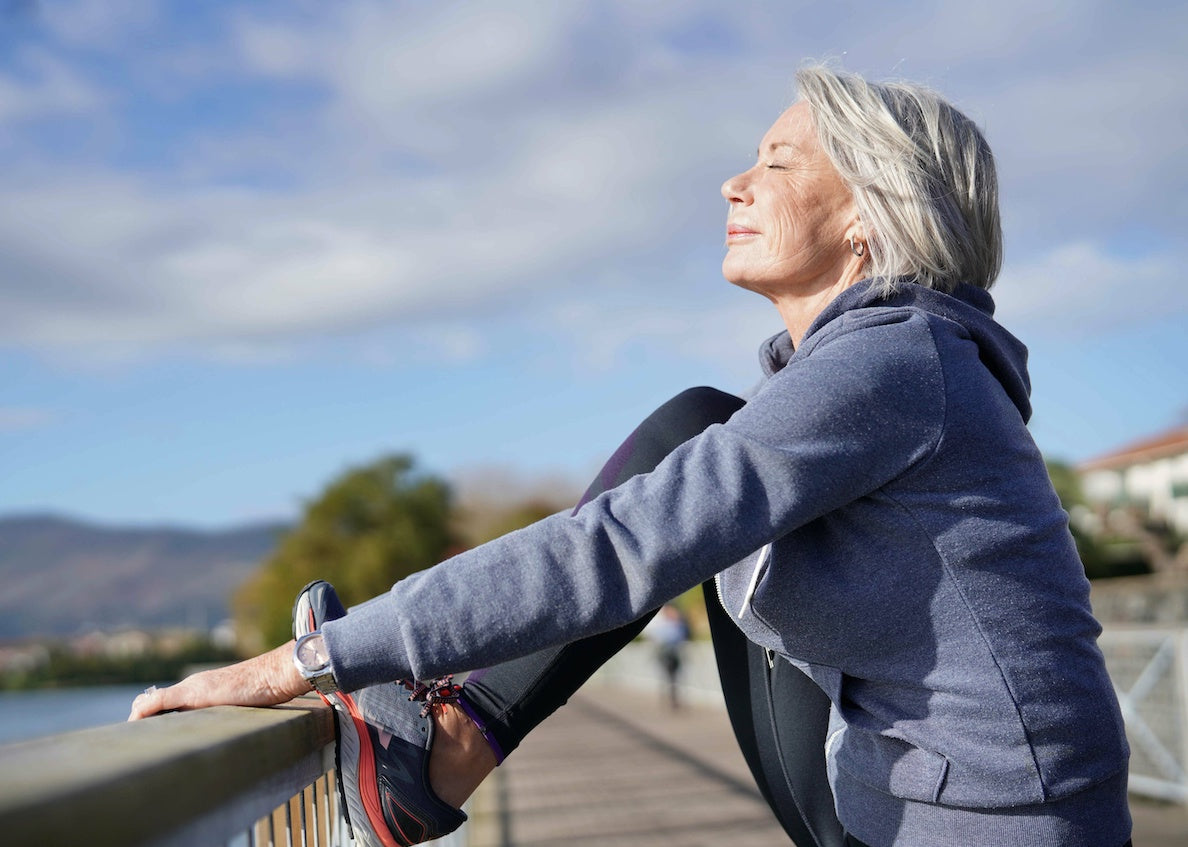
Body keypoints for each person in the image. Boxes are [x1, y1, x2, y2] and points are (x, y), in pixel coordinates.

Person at [130, 66, 1133, 847]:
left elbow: (614, 548)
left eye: (780, 163)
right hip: (882, 807)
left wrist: (302, 663)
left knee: (681, 467)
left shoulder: (899, 356)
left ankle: (440, 753)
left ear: (870, 210)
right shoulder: (867, 370)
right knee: (698, 428)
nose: (735, 182)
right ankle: (439, 749)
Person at [644, 602, 691, 710]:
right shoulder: (661, 624)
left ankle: (672, 699)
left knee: (674, 678)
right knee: (667, 677)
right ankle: (668, 698)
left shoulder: (679, 624)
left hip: (675, 653)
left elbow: (684, 635)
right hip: (665, 654)